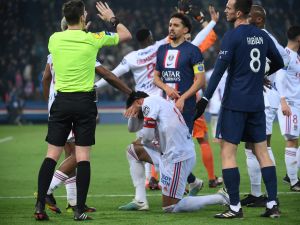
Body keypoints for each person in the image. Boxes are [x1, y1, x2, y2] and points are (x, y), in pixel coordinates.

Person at [94, 6, 220, 193]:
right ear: (151, 37)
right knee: (158, 146)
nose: (171, 28)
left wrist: (94, 86)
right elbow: (198, 39)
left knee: (152, 145)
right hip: (161, 103)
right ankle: (173, 180)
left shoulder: (132, 57)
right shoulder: (160, 47)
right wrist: (211, 22)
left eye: (174, 25)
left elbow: (112, 75)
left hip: (147, 105)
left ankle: (156, 181)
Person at [34, 0, 132, 221]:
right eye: (85, 12)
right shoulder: (92, 39)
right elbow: (126, 35)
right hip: (84, 103)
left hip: (61, 102)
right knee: (83, 157)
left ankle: (40, 205)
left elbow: (48, 76)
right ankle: (79, 210)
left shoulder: (54, 39)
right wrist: (111, 18)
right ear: (82, 17)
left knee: (51, 155)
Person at [194, 0, 284, 219]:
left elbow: (217, 73)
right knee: (262, 152)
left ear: (240, 12)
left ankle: (235, 208)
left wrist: (204, 100)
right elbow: (279, 62)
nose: (226, 10)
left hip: (234, 103)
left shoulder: (232, 37)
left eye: (229, 7)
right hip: (256, 103)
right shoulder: (262, 35)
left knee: (227, 153)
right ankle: (272, 204)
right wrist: (261, 73)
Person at [121, 91, 229, 212]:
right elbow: (132, 129)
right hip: (170, 153)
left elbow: (147, 137)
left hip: (177, 156)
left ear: (139, 102)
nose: (140, 117)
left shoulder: (149, 102)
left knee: (170, 207)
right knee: (133, 151)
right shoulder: (157, 103)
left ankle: (220, 198)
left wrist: (148, 142)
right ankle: (140, 200)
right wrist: (133, 113)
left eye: (137, 113)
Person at [240, 4, 291, 207]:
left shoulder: (264, 36)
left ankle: (272, 195)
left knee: (263, 146)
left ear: (259, 19)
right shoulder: (253, 36)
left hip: (266, 99)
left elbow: (285, 58)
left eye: (249, 16)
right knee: (250, 147)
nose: (244, 18)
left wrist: (263, 71)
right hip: (255, 98)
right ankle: (256, 193)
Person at [276, 25, 300, 191]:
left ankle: (290, 174)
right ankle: (293, 181)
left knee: (295, 140)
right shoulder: (286, 55)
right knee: (291, 141)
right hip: (289, 104)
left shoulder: (295, 56)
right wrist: (283, 101)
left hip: (296, 103)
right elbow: (280, 76)